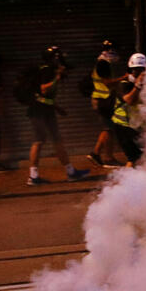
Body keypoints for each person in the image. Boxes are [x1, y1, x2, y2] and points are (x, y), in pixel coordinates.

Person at [26, 46, 90, 186]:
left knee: (57, 140)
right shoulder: (47, 70)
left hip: (46, 110)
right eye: (59, 57)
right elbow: (44, 89)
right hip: (38, 111)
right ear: (54, 58)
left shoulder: (47, 69)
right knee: (39, 141)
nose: (61, 60)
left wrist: (57, 108)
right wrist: (57, 77)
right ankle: (33, 176)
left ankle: (71, 172)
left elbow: (44, 96)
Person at [87, 41, 124, 168]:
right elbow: (107, 83)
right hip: (102, 101)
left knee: (107, 128)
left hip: (105, 100)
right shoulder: (103, 63)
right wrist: (123, 77)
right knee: (108, 129)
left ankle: (95, 154)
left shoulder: (105, 62)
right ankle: (108, 159)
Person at [111, 53, 146, 166]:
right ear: (130, 70)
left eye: (141, 70)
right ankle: (129, 182)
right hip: (122, 126)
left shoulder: (144, 84)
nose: (137, 73)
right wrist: (138, 86)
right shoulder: (124, 84)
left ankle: (129, 181)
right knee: (137, 158)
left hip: (132, 126)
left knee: (135, 159)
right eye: (135, 70)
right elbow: (129, 100)